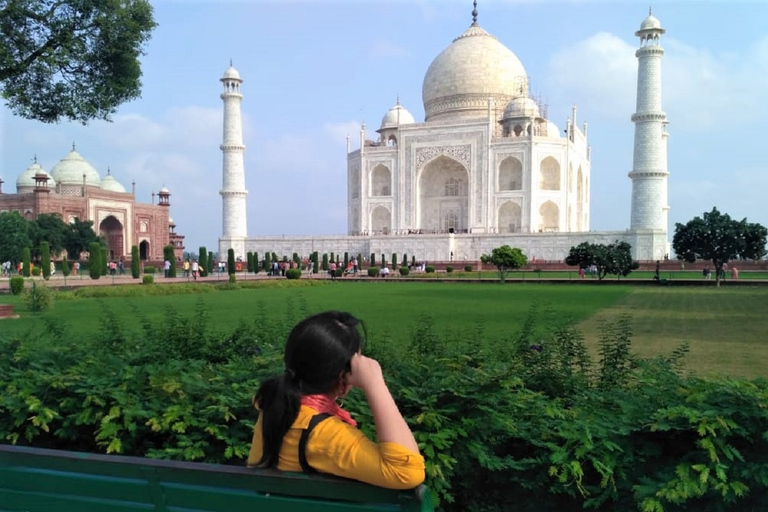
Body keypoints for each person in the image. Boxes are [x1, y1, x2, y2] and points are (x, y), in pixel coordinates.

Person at [247, 311, 424, 489]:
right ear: (344, 376)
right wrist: (375, 384)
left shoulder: (272, 406)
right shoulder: (322, 434)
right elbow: (406, 472)